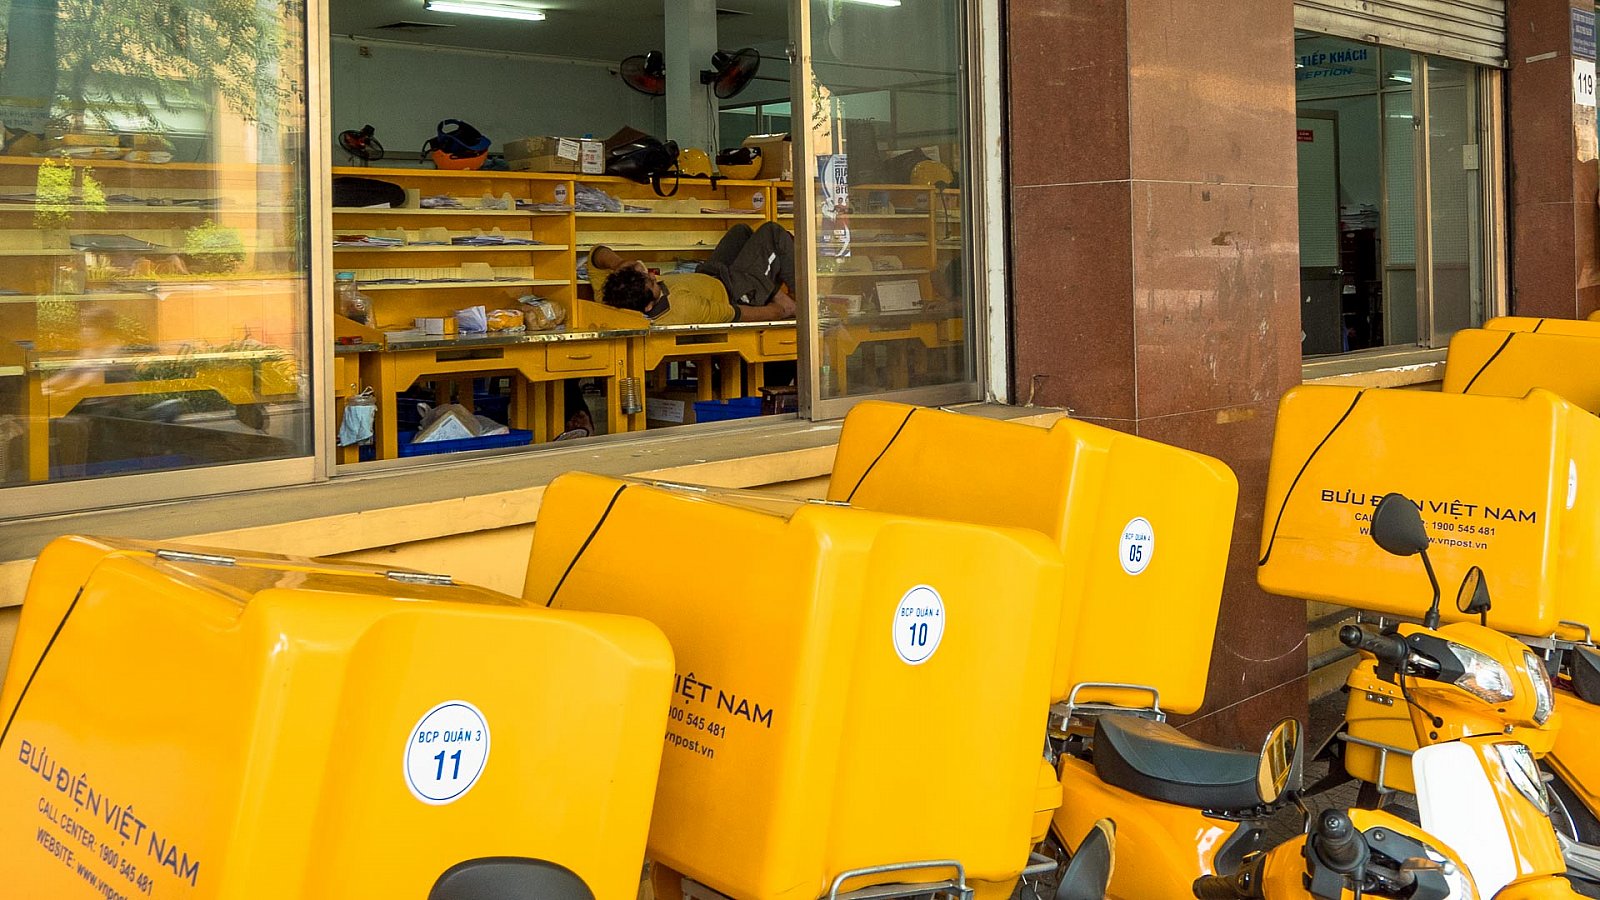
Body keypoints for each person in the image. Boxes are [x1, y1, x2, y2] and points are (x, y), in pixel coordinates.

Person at [590, 221, 797, 325]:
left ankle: (771, 280)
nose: (653, 277)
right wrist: (781, 310)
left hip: (712, 273)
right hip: (735, 292)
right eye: (652, 284)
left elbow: (596, 253)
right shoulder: (682, 307)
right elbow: (739, 314)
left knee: (740, 232)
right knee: (773, 234)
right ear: (648, 306)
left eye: (648, 277)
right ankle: (809, 302)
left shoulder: (611, 299)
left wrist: (620, 263)